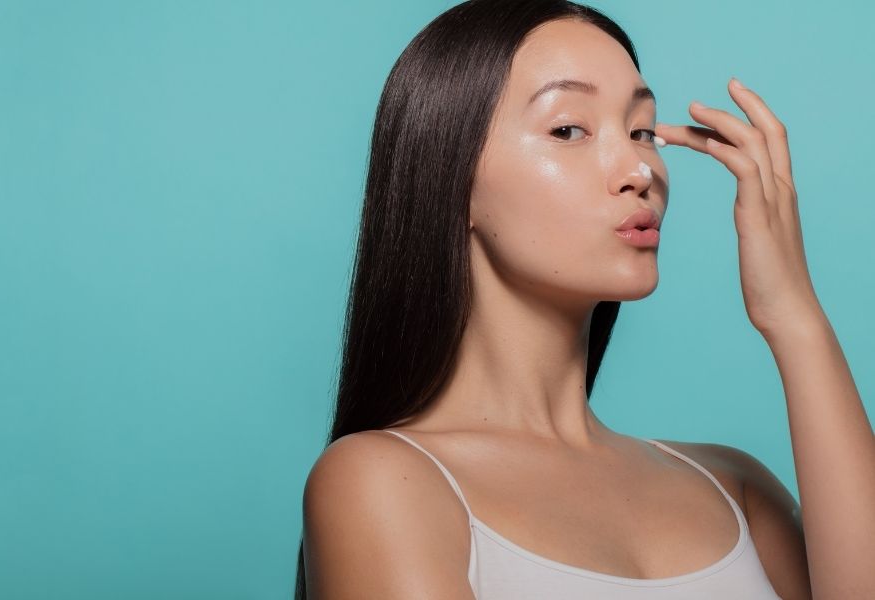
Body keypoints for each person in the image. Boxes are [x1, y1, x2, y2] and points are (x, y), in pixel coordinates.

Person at [296, 1, 874, 598]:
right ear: (451, 178)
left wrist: (794, 316)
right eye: (569, 129)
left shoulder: (736, 489)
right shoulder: (383, 483)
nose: (639, 169)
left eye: (642, 131)